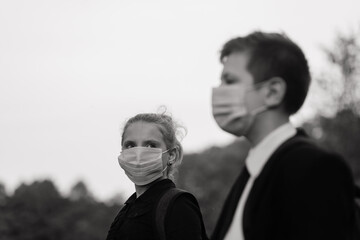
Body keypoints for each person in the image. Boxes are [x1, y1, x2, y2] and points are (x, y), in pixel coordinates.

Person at [211, 31, 357, 240]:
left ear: (273, 92)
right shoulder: (253, 171)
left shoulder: (315, 169)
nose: (219, 90)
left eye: (229, 80)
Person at [106, 112, 208, 240]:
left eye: (150, 145)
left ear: (172, 155)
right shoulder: (126, 211)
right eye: (130, 145)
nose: (138, 153)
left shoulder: (178, 206)